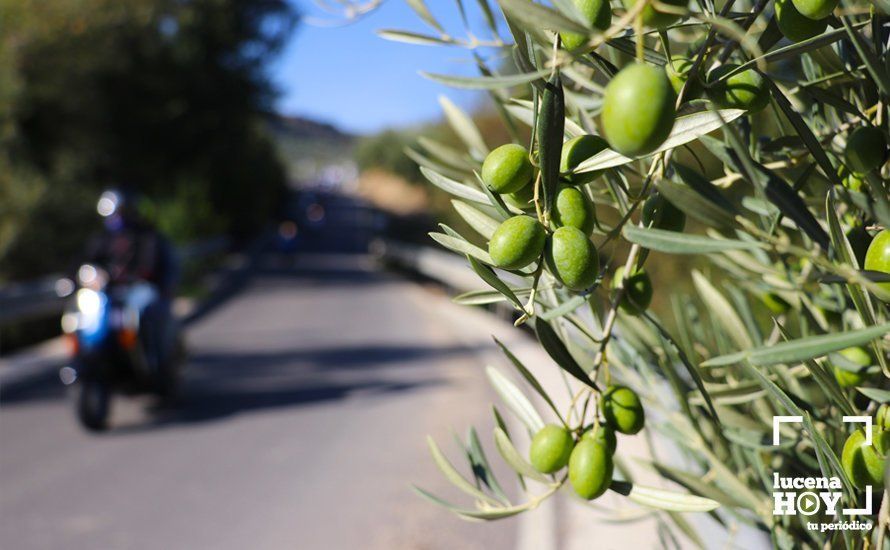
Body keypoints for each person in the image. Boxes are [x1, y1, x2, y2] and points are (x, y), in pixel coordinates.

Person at [86, 188, 179, 383]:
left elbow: (152, 264)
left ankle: (153, 362)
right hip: (109, 293)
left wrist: (137, 275)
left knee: (140, 313)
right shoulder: (103, 239)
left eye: (118, 213)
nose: (115, 219)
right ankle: (95, 356)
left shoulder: (145, 236)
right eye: (111, 215)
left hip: (138, 289)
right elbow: (85, 261)